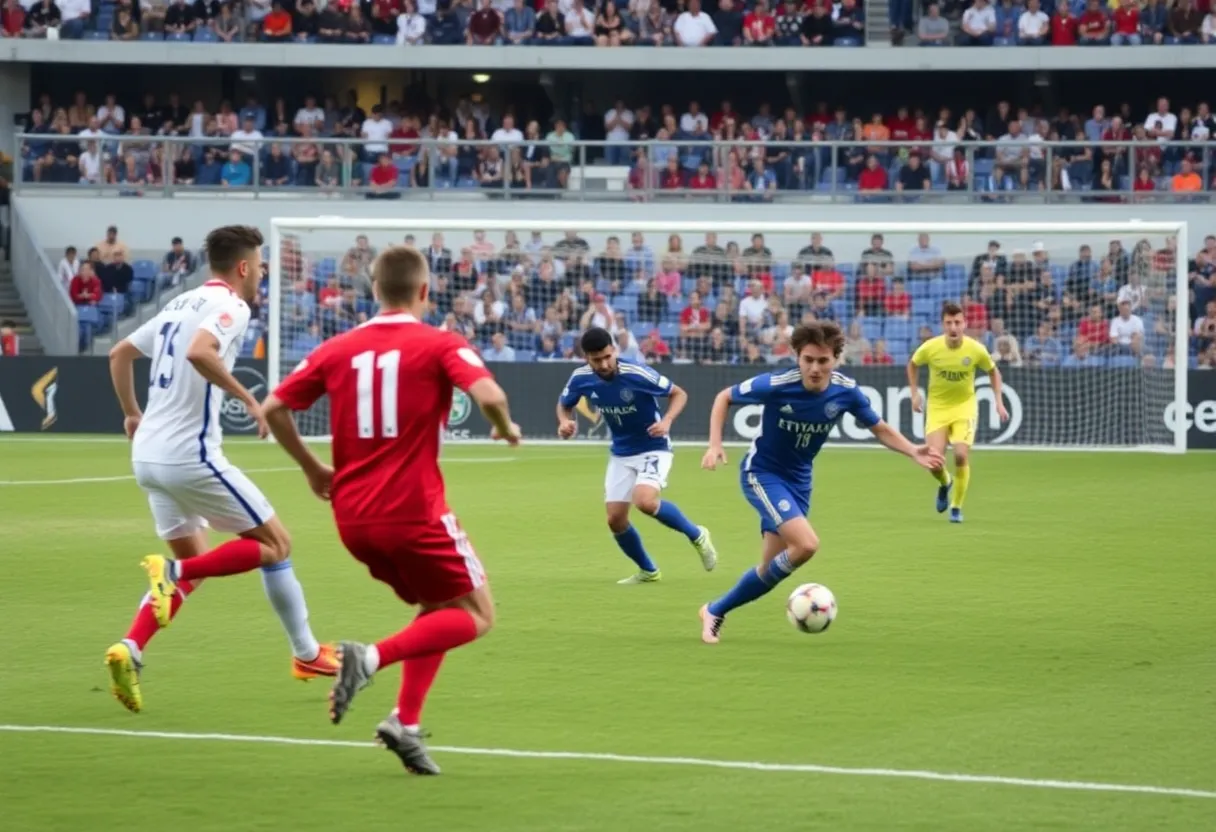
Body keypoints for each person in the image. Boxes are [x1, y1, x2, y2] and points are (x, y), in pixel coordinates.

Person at [260, 246, 520, 776]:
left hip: (353, 520)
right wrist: (504, 425)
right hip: (414, 514)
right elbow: (489, 391)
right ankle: (369, 658)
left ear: (374, 290)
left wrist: (312, 469)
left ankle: (405, 721)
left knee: (438, 606)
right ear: (425, 292)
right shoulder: (440, 342)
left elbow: (272, 409)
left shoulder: (336, 348)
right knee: (477, 614)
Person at [104, 225, 337, 714]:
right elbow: (200, 352)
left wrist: (131, 412)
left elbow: (119, 352)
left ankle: (130, 647)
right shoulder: (233, 305)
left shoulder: (178, 303)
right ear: (245, 267)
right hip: (191, 455)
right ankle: (306, 654)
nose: (264, 273)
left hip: (147, 457)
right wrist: (249, 398)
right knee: (275, 544)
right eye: (262, 264)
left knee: (200, 570)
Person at [698, 322, 941, 643]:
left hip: (799, 482)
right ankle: (718, 610)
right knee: (806, 545)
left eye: (823, 361)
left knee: (769, 569)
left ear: (836, 360)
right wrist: (715, 444)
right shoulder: (776, 383)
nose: (815, 368)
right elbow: (723, 397)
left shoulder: (846, 391)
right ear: (797, 357)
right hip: (762, 474)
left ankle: (714, 611)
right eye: (808, 359)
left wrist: (912, 450)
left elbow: (878, 426)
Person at [556, 327, 717, 584]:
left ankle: (697, 535)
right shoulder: (581, 378)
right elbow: (565, 404)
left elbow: (679, 394)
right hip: (621, 453)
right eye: (597, 360)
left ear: (614, 350)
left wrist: (667, 421)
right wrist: (565, 422)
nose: (605, 363)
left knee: (645, 501)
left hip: (654, 446)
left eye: (608, 356)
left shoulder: (637, 373)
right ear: (587, 358)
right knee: (615, 520)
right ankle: (649, 571)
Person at [906, 301, 1009, 524]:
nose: (953, 327)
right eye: (949, 322)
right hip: (938, 408)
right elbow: (913, 364)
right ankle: (945, 483)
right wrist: (914, 393)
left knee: (961, 454)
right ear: (943, 325)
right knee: (934, 460)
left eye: (958, 322)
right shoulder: (931, 347)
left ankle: (956, 507)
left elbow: (993, 372)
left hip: (965, 407)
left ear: (965, 324)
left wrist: (998, 401)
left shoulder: (975, 349)